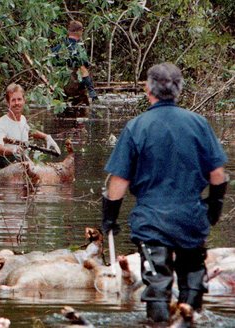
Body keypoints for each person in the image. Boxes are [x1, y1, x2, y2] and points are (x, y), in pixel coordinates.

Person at [101, 63, 228, 323]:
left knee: (157, 282)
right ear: (179, 90)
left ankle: (157, 323)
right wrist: (213, 208)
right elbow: (218, 175)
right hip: (190, 218)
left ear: (148, 89)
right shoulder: (198, 124)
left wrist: (109, 218)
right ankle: (189, 319)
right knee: (193, 280)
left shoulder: (137, 127)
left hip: (151, 220)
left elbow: (118, 183)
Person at [0, 83, 61, 170]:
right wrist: (13, 151)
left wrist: (46, 137)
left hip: (20, 165)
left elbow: (29, 131)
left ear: (24, 100)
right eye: (13, 100)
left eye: (19, 99)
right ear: (7, 102)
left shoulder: (23, 119)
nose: (17, 103)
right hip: (2, 168)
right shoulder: (0, 124)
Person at [52, 20, 98, 116]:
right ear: (80, 32)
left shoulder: (57, 48)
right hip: (75, 90)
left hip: (59, 90)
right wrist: (91, 90)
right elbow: (83, 70)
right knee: (81, 116)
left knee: (60, 117)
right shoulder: (79, 50)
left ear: (68, 31)